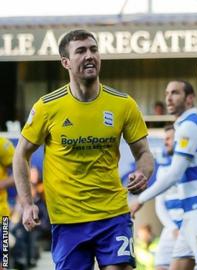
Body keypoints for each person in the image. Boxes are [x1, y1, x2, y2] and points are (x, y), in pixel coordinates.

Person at [13, 29, 154, 270]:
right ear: (65, 62)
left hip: (112, 215)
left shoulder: (123, 104)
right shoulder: (47, 107)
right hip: (68, 220)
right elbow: (21, 155)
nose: (90, 55)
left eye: (93, 49)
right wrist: (27, 204)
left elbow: (144, 153)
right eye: (81, 51)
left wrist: (143, 172)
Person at [130, 80, 197, 270]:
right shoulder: (186, 125)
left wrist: (141, 199)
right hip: (191, 213)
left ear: (190, 99)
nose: (168, 97)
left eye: (175, 93)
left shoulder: (190, 126)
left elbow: (174, 174)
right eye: (167, 93)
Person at [153, 125, 184, 270]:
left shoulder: (192, 165)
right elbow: (160, 205)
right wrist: (172, 227)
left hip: (191, 228)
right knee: (160, 265)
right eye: (165, 139)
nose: (166, 142)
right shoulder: (163, 169)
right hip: (171, 230)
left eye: (169, 138)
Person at [0, 137, 15, 217]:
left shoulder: (2, 144)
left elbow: (22, 172)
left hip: (2, 216)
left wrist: (2, 184)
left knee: (5, 228)